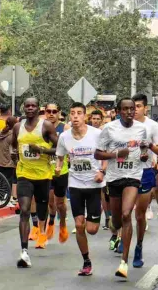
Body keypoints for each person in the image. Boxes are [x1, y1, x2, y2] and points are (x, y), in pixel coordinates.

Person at [95, 98, 148, 279]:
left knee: (127, 214)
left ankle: (124, 262)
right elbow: (97, 153)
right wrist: (116, 154)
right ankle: (113, 225)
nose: (129, 112)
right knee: (117, 221)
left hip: (132, 176)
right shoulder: (109, 129)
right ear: (118, 111)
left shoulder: (141, 129)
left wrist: (144, 154)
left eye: (131, 109)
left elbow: (143, 151)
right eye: (125, 109)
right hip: (114, 178)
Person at [56, 102, 105, 276]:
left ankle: (97, 210)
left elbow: (105, 154)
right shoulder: (64, 137)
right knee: (79, 224)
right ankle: (86, 261)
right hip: (75, 184)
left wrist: (102, 170)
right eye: (72, 113)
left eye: (79, 113)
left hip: (94, 184)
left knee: (92, 229)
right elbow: (60, 156)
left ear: (85, 116)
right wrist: (57, 167)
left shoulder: (97, 134)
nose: (75, 116)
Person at [11, 98, 58, 267]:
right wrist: (15, 158)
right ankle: (24, 252)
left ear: (39, 109)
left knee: (41, 209)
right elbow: (14, 146)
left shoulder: (46, 126)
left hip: (43, 176)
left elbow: (60, 149)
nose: (30, 108)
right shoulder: (18, 127)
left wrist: (42, 150)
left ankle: (42, 230)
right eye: (27, 106)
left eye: (33, 106)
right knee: (24, 210)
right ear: (23, 108)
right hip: (24, 174)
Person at [131, 94, 158, 268]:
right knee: (123, 213)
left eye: (138, 106)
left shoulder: (152, 126)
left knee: (139, 214)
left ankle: (138, 246)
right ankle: (121, 236)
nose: (134, 109)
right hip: (125, 172)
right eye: (132, 106)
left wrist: (150, 146)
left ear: (145, 108)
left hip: (145, 172)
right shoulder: (121, 125)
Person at [45, 102, 69, 244]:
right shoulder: (41, 127)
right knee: (49, 201)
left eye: (55, 111)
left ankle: (63, 223)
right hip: (46, 169)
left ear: (59, 113)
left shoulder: (65, 128)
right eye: (49, 111)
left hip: (61, 170)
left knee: (60, 203)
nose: (52, 114)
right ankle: (51, 222)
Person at [0, 117, 18, 204]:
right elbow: (15, 150)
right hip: (8, 162)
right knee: (7, 181)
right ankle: (4, 199)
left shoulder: (2, 132)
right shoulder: (12, 135)